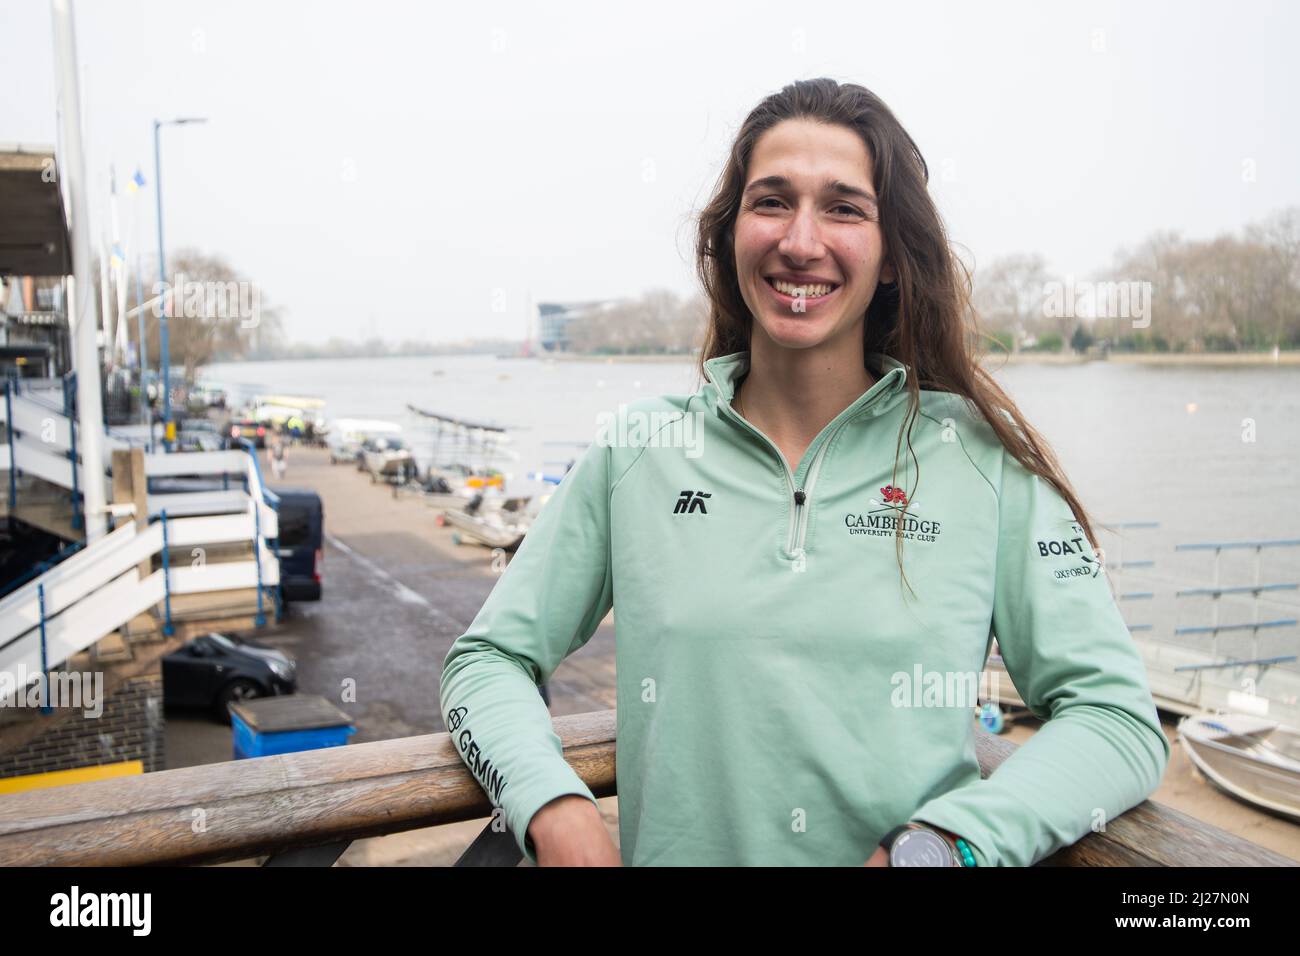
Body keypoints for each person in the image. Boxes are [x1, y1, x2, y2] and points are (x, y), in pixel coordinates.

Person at [439, 78, 1169, 867]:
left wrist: (954, 846)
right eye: (772, 201)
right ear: (730, 236)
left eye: (845, 208)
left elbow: (1117, 719)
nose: (801, 240)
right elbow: (485, 663)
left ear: (892, 258)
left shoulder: (984, 459)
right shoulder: (637, 449)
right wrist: (552, 806)